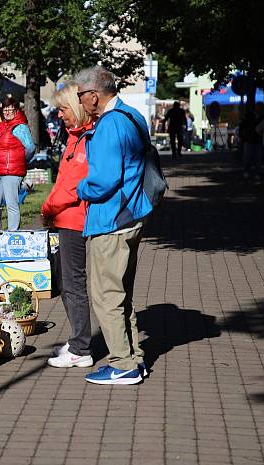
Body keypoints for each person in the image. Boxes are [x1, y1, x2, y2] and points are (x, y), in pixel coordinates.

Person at [74, 66, 153, 386]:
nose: (80, 101)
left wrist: (80, 188)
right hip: (132, 215)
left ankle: (122, 364)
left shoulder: (109, 125)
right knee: (121, 294)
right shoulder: (133, 116)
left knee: (106, 296)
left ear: (94, 95)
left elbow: (103, 181)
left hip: (111, 219)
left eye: (80, 95)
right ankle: (133, 358)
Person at [41, 83, 93, 369]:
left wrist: (47, 208)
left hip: (75, 221)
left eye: (62, 109)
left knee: (73, 284)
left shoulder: (85, 139)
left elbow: (72, 186)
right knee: (66, 282)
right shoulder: (75, 137)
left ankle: (81, 348)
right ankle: (78, 341)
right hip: (66, 218)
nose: (59, 114)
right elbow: (62, 181)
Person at [0, 97, 35, 231]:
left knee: (11, 204)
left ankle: (12, 232)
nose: (7, 112)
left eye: (10, 109)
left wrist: (21, 160)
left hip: (12, 173)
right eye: (5, 109)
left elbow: (30, 148)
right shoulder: (1, 126)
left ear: (16, 110)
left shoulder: (20, 127)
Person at [239, 110, 262, 179]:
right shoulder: (256, 121)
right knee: (256, 158)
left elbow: (240, 133)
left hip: (249, 141)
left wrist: (243, 139)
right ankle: (255, 173)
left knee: (248, 158)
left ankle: (247, 172)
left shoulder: (244, 122)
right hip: (254, 141)